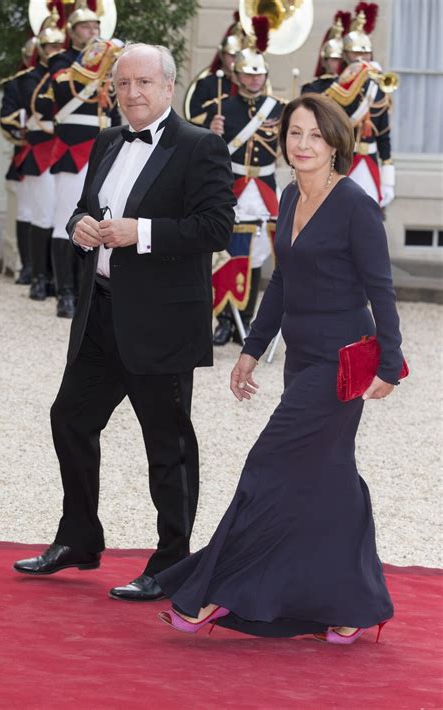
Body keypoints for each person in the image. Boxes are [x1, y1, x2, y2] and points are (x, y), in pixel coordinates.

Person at [156, 93, 405, 645]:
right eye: (295, 133)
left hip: (344, 361)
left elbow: (380, 289)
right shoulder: (290, 197)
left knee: (268, 462)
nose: (304, 144)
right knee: (330, 476)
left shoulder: (357, 205)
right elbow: (284, 282)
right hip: (301, 357)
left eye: (316, 135)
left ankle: (215, 593)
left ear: (336, 143)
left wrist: (391, 361)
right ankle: (355, 603)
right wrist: (251, 350)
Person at [13, 44, 236, 603]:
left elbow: (215, 228)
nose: (132, 93)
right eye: (123, 84)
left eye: (143, 82)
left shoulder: (201, 146)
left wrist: (145, 232)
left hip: (161, 322)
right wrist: (83, 224)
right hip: (100, 313)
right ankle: (80, 539)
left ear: (167, 86)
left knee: (167, 444)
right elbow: (84, 207)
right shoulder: (109, 141)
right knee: (70, 418)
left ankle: (172, 563)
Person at [48, 0, 120, 318]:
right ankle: (64, 292)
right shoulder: (60, 60)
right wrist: (97, 59)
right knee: (65, 217)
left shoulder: (110, 61)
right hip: (73, 146)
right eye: (84, 27)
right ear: (72, 32)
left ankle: (86, 289)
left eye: (95, 27)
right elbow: (65, 90)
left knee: (100, 218)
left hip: (104, 146)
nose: (91, 31)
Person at [209, 47, 284, 345]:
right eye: (249, 74)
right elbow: (209, 153)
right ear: (236, 76)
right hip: (235, 187)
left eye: (259, 74)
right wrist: (211, 131)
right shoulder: (222, 107)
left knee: (257, 255)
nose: (255, 80)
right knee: (229, 253)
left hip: (264, 189)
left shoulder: (278, 108)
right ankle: (225, 320)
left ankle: (248, 318)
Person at [16, 11, 65, 302]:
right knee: (43, 215)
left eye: (59, 47)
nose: (55, 52)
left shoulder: (69, 74)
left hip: (70, 152)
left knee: (63, 216)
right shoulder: (30, 78)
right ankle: (38, 276)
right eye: (50, 47)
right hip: (44, 151)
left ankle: (59, 278)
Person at [326, 6, 396, 208]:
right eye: (356, 53)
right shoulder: (336, 87)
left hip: (370, 161)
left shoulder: (378, 88)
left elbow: (383, 135)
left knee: (368, 218)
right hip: (345, 160)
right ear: (346, 54)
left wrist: (388, 176)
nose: (361, 58)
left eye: (365, 53)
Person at [0, 37, 37, 285]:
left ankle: (49, 272)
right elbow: (8, 120)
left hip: (62, 155)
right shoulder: (17, 83)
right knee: (26, 212)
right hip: (30, 154)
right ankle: (29, 267)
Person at [186, 14, 243, 125]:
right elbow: (194, 116)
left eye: (240, 56)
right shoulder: (207, 84)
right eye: (232, 55)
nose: (236, 60)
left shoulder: (247, 85)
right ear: (222, 55)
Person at [301, 14, 347, 95]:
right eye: (334, 59)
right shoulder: (312, 87)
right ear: (324, 61)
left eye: (340, 60)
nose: (338, 64)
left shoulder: (348, 87)